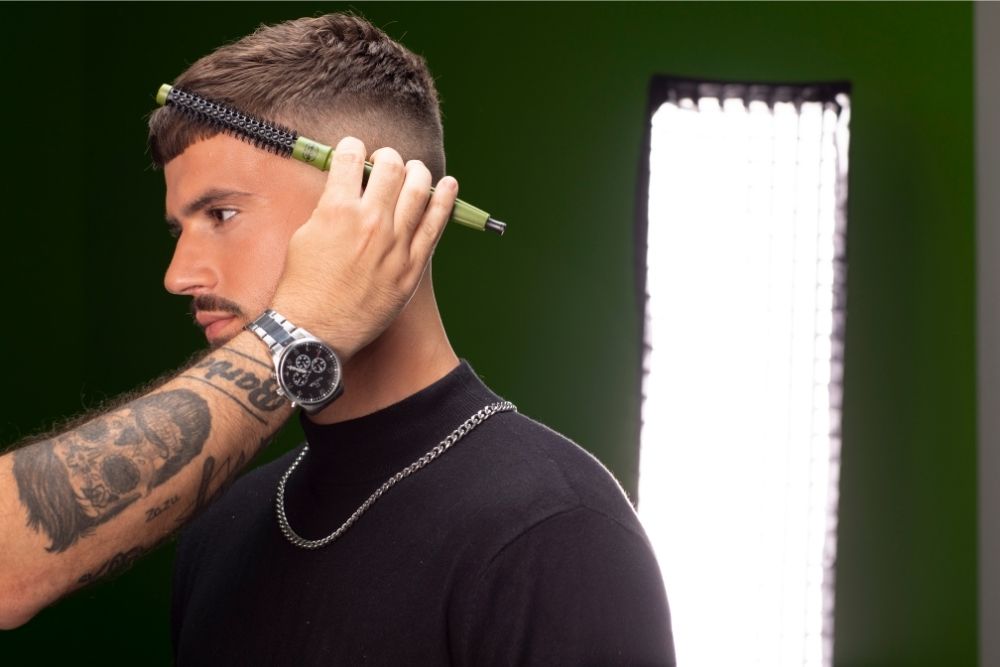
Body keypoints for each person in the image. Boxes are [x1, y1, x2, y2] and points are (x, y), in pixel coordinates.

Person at [7, 12, 675, 665]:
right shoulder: (226, 520)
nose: (178, 275)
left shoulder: (555, 529)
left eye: (222, 213)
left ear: (376, 203)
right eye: (180, 229)